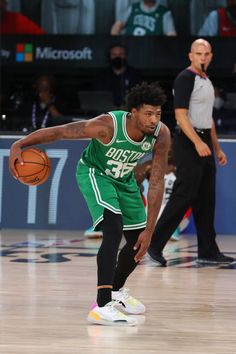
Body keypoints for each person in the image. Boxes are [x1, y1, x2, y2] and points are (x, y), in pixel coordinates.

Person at [9, 81, 171, 326]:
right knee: (113, 229)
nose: (153, 120)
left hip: (124, 180)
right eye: (148, 113)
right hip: (95, 173)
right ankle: (102, 306)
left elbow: (157, 181)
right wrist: (19, 144)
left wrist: (150, 231)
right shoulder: (107, 126)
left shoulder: (161, 134)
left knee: (139, 241)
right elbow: (62, 131)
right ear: (133, 112)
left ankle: (115, 291)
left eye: (157, 114)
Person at [148, 39, 234, 266]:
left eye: (206, 54)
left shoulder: (205, 80)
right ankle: (154, 244)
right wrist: (197, 142)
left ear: (211, 56)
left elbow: (209, 119)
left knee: (206, 198)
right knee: (184, 194)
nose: (203, 57)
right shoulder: (185, 78)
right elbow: (180, 116)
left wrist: (216, 148)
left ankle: (207, 251)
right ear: (190, 56)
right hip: (188, 141)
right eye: (198, 53)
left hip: (203, 139)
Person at [94, 44, 142, 108]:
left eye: (121, 54)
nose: (117, 57)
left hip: (129, 112)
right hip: (106, 112)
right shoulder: (102, 75)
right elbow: (97, 97)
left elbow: (140, 97)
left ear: (125, 56)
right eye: (114, 55)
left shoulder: (134, 74)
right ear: (109, 57)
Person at [111, 0, 177, 36]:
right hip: (130, 45)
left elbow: (172, 35)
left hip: (152, 48)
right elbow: (117, 26)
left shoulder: (164, 13)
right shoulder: (133, 8)